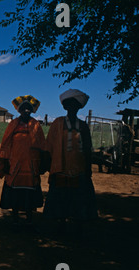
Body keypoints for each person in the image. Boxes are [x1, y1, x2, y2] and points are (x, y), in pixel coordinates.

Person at [43, 89, 98, 234]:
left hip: (79, 167)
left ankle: (78, 224)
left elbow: (87, 148)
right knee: (61, 197)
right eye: (69, 105)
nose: (71, 108)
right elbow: (49, 144)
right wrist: (48, 164)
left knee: (79, 197)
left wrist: (88, 168)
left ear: (79, 107)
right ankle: (61, 223)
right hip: (61, 166)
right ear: (65, 107)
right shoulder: (58, 123)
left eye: (75, 105)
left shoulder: (83, 126)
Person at [0, 95, 46, 228]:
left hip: (31, 167)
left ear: (32, 110)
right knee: (15, 195)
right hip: (15, 166)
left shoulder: (36, 125)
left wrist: (43, 163)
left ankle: (29, 219)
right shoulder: (13, 124)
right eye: (24, 109)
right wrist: (4, 161)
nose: (26, 111)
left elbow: (42, 145)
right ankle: (15, 220)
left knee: (29, 195)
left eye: (29, 109)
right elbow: (6, 144)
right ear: (19, 110)